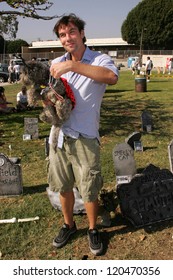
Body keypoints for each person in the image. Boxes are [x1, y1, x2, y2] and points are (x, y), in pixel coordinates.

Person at [48, 13, 119, 256]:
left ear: (82, 33)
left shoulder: (100, 59)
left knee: (89, 186)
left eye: (71, 32)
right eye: (62, 35)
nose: (67, 38)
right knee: (63, 185)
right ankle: (68, 225)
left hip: (85, 136)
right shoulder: (56, 63)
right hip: (58, 135)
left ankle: (92, 228)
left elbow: (111, 78)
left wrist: (73, 65)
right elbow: (51, 94)